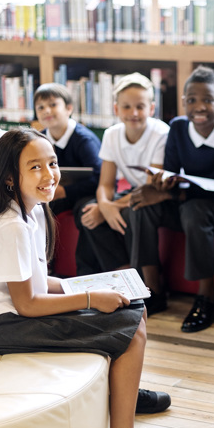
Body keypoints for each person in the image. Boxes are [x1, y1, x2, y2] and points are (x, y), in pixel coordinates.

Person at [0, 128, 188, 428]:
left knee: (133, 306)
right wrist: (91, 298)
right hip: (1, 326)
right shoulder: (11, 226)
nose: (49, 174)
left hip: (13, 314)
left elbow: (34, 282)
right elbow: (27, 304)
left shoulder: (30, 210)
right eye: (35, 167)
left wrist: (85, 286)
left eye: (52, 163)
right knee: (133, 323)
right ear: (9, 178)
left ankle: (124, 391)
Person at [127, 66, 214, 332]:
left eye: (208, 100)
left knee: (195, 209)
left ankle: (207, 297)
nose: (200, 106)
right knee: (142, 204)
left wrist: (172, 192)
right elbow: (172, 171)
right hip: (189, 203)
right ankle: (153, 290)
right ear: (183, 102)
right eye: (192, 100)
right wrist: (161, 186)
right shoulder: (178, 127)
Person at [74, 73, 170, 315]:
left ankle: (150, 286)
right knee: (87, 212)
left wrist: (110, 208)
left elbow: (149, 187)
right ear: (116, 108)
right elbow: (106, 183)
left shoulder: (161, 133)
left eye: (140, 106)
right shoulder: (112, 134)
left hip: (155, 196)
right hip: (129, 195)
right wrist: (104, 204)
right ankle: (121, 276)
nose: (134, 112)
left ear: (152, 107)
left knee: (133, 211)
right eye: (127, 106)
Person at [33, 82, 102, 214]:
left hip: (85, 193)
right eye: (40, 107)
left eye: (53, 105)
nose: (46, 110)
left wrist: (64, 191)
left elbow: (98, 178)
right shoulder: (38, 139)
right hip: (51, 191)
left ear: (68, 109)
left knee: (84, 211)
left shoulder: (84, 140)